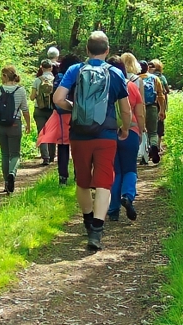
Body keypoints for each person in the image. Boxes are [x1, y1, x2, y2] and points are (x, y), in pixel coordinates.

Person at [53, 31, 132, 250]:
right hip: (106, 135)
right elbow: (125, 110)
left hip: (79, 134)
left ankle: (88, 221)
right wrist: (124, 129)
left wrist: (74, 107)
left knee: (83, 181)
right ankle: (97, 230)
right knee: (104, 181)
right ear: (107, 51)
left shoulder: (75, 70)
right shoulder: (115, 73)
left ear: (87, 50)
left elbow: (58, 99)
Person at [105, 55, 146, 222]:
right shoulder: (131, 86)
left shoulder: (104, 86)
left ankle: (113, 209)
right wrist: (141, 130)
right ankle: (128, 196)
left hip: (109, 132)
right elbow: (140, 112)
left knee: (115, 171)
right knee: (130, 169)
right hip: (131, 131)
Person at [37, 54, 82, 186]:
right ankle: (78, 175)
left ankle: (63, 177)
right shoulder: (80, 74)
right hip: (77, 114)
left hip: (61, 114)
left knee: (62, 147)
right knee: (77, 147)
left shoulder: (60, 77)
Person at [0, 65, 31, 193]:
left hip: (0, 125)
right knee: (15, 154)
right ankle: (12, 173)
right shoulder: (20, 91)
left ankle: (6, 183)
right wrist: (28, 124)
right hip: (15, 124)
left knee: (5, 154)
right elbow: (25, 111)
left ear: (5, 76)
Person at [30, 60, 56, 165]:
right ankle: (52, 156)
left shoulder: (37, 80)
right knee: (52, 133)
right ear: (51, 68)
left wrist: (37, 95)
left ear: (41, 68)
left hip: (39, 110)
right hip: (52, 110)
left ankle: (45, 157)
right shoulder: (55, 79)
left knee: (42, 133)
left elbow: (31, 98)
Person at [141, 60, 168, 164]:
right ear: (147, 68)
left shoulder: (135, 79)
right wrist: (162, 110)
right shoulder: (155, 78)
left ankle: (144, 157)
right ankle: (154, 146)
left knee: (142, 132)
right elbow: (161, 96)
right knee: (153, 132)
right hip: (152, 107)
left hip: (139, 108)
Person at [149, 60, 170, 155]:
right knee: (160, 122)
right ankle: (158, 144)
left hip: (151, 102)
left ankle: (149, 145)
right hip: (161, 102)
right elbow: (167, 90)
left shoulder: (147, 77)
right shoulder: (162, 77)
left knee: (150, 123)